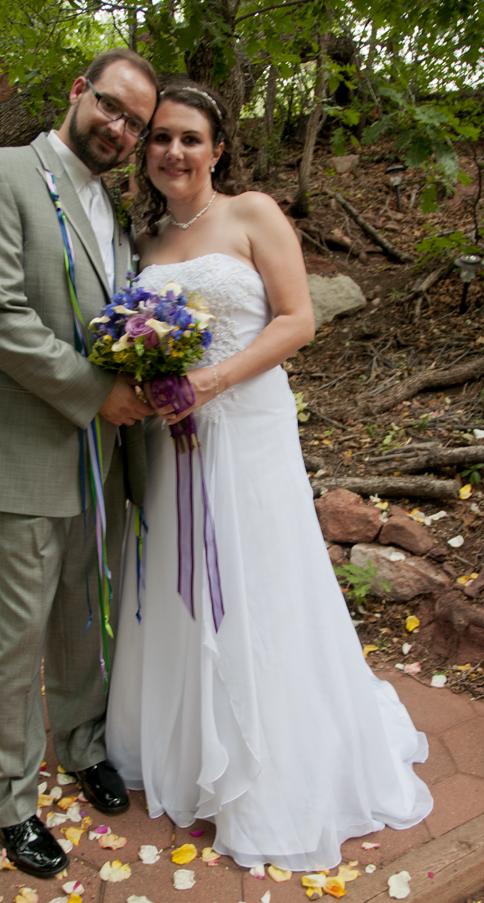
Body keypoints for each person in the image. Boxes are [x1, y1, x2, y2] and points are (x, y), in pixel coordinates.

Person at [106, 82, 433, 871]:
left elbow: (297, 319)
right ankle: (190, 749)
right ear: (144, 153)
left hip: (245, 428)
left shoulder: (253, 212)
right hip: (173, 442)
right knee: (183, 584)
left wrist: (209, 384)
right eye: (160, 139)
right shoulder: (144, 242)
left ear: (218, 147)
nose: (173, 152)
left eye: (190, 138)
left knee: (259, 580)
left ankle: (275, 766)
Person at [0, 49, 159, 878]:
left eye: (134, 123)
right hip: (26, 443)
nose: (119, 128)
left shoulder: (111, 206)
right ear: (78, 91)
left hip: (98, 451)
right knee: (17, 631)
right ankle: (5, 799)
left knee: (84, 610)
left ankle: (80, 742)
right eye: (111, 107)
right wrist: (94, 392)